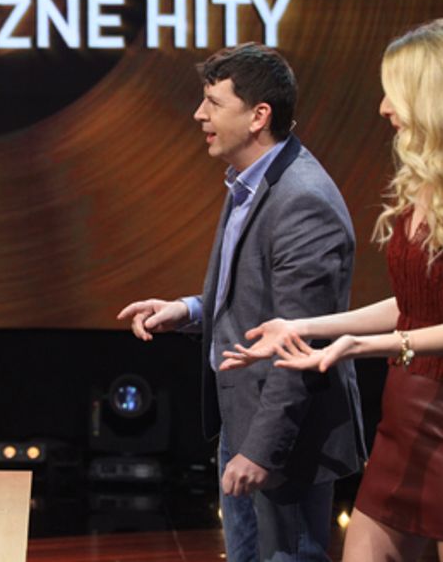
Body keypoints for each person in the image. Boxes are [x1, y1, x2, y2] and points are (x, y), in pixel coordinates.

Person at [117, 43, 366, 561]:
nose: (198, 114)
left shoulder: (302, 200)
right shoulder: (249, 181)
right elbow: (255, 299)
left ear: (258, 116)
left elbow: (299, 342)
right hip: (245, 420)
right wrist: (188, 310)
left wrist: (261, 451)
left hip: (283, 441)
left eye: (213, 102)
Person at [221, 20, 443, 561]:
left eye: (393, 93)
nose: (383, 108)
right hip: (407, 415)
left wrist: (360, 347)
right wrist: (303, 326)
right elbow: (415, 305)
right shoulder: (424, 187)